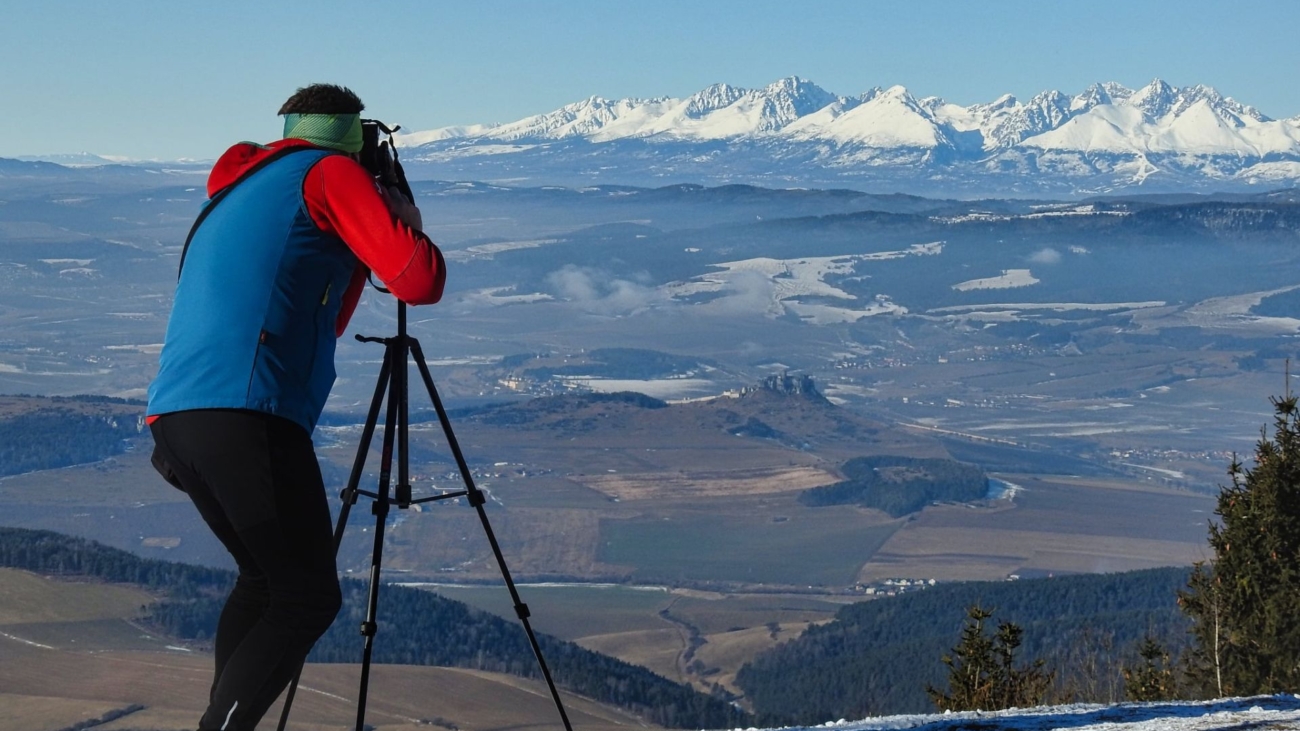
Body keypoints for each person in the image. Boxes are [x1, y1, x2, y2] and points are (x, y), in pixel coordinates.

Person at [146, 83, 445, 731]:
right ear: (350, 134)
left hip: (179, 418)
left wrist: (356, 250)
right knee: (308, 597)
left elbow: (322, 317)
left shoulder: (247, 186)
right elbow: (420, 280)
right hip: (246, 411)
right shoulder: (328, 171)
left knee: (264, 582)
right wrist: (404, 227)